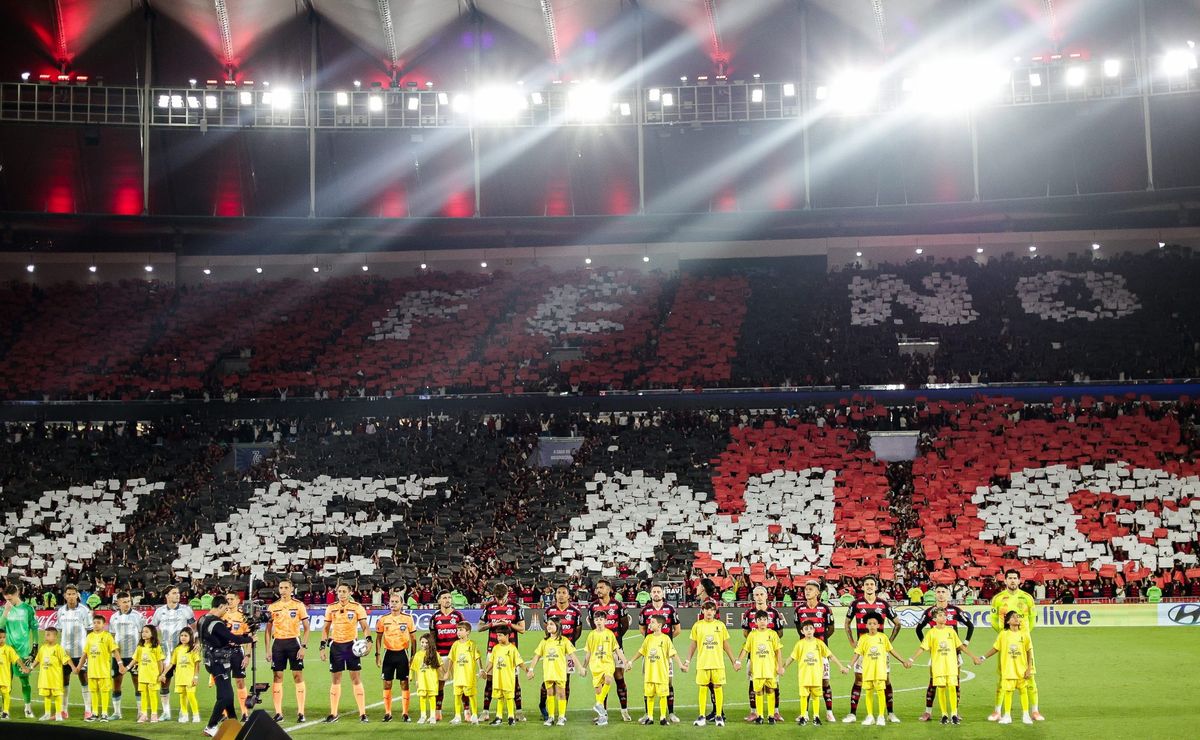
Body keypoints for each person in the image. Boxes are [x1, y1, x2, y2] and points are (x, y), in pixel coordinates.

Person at [843, 575, 901, 724]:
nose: (869, 586)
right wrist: (851, 642)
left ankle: (890, 713)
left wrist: (888, 643)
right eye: (866, 584)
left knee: (886, 681)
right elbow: (847, 623)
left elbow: (897, 624)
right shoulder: (855, 604)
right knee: (858, 680)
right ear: (862, 587)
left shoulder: (883, 604)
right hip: (863, 649)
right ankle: (852, 714)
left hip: (880, 650)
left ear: (876, 587)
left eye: (871, 584)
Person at [909, 606, 980, 725]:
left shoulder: (951, 631)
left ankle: (954, 714)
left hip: (951, 664)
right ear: (934, 618)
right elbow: (923, 647)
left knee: (952, 687)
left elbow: (960, 646)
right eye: (941, 615)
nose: (944, 617)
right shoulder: (931, 633)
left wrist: (973, 656)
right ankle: (944, 715)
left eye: (945, 615)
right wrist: (911, 659)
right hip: (938, 665)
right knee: (941, 688)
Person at [988, 569, 1042, 721]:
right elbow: (992, 619)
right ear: (1005, 581)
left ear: (1019, 581)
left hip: (1023, 641)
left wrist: (1023, 633)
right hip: (1006, 642)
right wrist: (1004, 633)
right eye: (1009, 578)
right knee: (1003, 677)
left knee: (1029, 676)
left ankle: (1035, 711)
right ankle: (998, 711)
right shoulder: (998, 598)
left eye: (1015, 578)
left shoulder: (1027, 598)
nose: (1012, 581)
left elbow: (1032, 618)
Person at [197, 597, 254, 737]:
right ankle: (211, 726)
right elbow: (232, 638)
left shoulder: (203, 618)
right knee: (225, 696)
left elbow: (219, 638)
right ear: (221, 606)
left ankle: (234, 722)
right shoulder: (216, 623)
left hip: (211, 661)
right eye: (225, 608)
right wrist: (250, 639)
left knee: (227, 694)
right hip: (219, 662)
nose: (226, 611)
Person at [320, 583, 371, 723]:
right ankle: (334, 713)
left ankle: (362, 713)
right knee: (336, 680)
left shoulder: (357, 608)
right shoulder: (331, 608)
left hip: (351, 647)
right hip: (336, 647)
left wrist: (369, 640)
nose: (341, 594)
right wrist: (322, 647)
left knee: (355, 678)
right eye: (339, 591)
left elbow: (364, 626)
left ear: (350, 592)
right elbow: (325, 628)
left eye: (344, 591)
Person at [782, 620, 849, 726]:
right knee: (803, 696)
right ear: (802, 631)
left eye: (810, 628)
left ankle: (816, 717)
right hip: (804, 675)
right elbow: (791, 658)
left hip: (816, 675)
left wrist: (840, 666)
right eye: (806, 629)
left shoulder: (819, 643)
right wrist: (783, 667)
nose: (808, 631)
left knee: (816, 696)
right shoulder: (800, 644)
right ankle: (804, 716)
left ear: (814, 630)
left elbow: (830, 655)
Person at [683, 600, 736, 727]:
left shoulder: (720, 625)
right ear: (702, 611)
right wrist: (687, 661)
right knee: (702, 688)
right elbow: (693, 644)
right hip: (702, 663)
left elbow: (725, 644)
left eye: (712, 610)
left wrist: (734, 661)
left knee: (718, 687)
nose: (709, 612)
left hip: (718, 663)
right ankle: (701, 716)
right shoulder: (697, 625)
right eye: (707, 609)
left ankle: (719, 716)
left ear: (715, 612)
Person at [477, 583, 526, 722]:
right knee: (490, 680)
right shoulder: (489, 607)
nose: (499, 601)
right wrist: (491, 624)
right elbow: (479, 627)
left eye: (502, 598)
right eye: (497, 598)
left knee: (515, 681)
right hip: (493, 649)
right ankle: (486, 711)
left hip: (511, 650)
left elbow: (522, 629)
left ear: (507, 594)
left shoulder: (516, 607)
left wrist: (509, 624)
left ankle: (519, 711)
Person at [852, 613, 911, 727]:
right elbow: (857, 653)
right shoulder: (863, 638)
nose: (872, 626)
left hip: (880, 670)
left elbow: (891, 650)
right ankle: (870, 716)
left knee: (880, 692)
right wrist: (849, 666)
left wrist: (903, 660)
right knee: (868, 692)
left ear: (878, 625)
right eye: (870, 624)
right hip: (868, 670)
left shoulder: (883, 637)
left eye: (874, 623)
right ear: (866, 626)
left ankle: (881, 716)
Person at [978, 610, 1035, 725]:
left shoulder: (1024, 634)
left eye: (1018, 617)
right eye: (1013, 617)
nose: (1016, 619)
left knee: (1023, 691)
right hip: (1008, 669)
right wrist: (983, 657)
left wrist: (1029, 668)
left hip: (1021, 669)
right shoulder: (1003, 634)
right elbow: (995, 648)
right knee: (1008, 692)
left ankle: (1026, 715)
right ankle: (1007, 715)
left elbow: (1029, 651)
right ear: (1008, 621)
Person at [793, 579, 838, 722]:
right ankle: (804, 713)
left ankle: (829, 712)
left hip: (821, 652)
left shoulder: (825, 609)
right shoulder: (799, 610)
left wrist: (820, 642)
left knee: (825, 682)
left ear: (817, 592)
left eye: (810, 589)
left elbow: (831, 629)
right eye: (806, 589)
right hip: (805, 653)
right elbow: (799, 630)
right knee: (805, 683)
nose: (807, 592)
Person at [149, 585, 196, 721]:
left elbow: (194, 628)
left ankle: (184, 711)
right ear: (167, 596)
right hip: (165, 653)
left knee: (184, 683)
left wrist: (196, 643)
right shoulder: (160, 611)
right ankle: (166, 712)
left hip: (183, 652)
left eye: (178, 593)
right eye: (174, 593)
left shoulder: (186, 610)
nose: (177, 595)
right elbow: (153, 628)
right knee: (164, 681)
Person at [266, 579, 309, 723]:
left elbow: (307, 627)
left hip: (294, 643)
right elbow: (267, 631)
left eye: (286, 588)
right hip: (277, 643)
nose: (283, 590)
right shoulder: (273, 607)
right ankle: (278, 713)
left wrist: (303, 646)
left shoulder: (298, 605)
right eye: (281, 588)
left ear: (292, 589)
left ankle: (301, 712)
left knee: (297, 676)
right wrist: (267, 650)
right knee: (277, 677)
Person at [630, 615, 686, 726]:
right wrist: (631, 661)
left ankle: (662, 718)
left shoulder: (665, 639)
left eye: (652, 622)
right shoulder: (648, 638)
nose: (650, 624)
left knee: (663, 695)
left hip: (661, 673)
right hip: (649, 673)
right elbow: (641, 651)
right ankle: (650, 717)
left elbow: (673, 653)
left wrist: (680, 665)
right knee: (649, 695)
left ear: (659, 625)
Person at [638, 583, 682, 723]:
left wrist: (664, 642)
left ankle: (671, 713)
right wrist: (653, 642)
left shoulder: (670, 609)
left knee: (668, 682)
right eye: (654, 592)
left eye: (658, 591)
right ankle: (647, 714)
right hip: (650, 653)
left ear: (663, 594)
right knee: (647, 682)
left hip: (665, 654)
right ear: (651, 594)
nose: (656, 594)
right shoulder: (645, 610)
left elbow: (677, 629)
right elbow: (642, 629)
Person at [741, 585, 786, 722]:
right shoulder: (748, 613)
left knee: (774, 683)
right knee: (752, 682)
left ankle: (775, 712)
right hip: (754, 656)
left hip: (770, 658)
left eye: (761, 594)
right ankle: (754, 712)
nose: (759, 597)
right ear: (753, 597)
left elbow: (780, 632)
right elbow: (745, 633)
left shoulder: (774, 613)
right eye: (756, 595)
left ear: (766, 596)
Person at [589, 579, 631, 722]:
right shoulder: (593, 606)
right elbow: (592, 626)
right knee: (602, 680)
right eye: (597, 588)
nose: (598, 590)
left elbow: (624, 625)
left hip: (615, 646)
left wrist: (615, 639)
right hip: (600, 650)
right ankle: (602, 713)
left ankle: (624, 710)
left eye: (601, 587)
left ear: (609, 589)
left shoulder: (618, 605)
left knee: (619, 678)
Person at [542, 584, 585, 721]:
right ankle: (543, 706)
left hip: (567, 651)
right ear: (555, 595)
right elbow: (546, 630)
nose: (561, 595)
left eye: (563, 592)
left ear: (568, 595)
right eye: (558, 592)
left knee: (565, 681)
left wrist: (568, 644)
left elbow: (577, 631)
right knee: (547, 682)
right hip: (552, 650)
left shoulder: (575, 612)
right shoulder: (549, 611)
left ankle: (562, 712)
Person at [526, 618, 576, 727]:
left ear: (557, 626)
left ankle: (561, 717)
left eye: (551, 624)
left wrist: (580, 668)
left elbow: (572, 655)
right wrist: (531, 669)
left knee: (562, 694)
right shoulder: (544, 641)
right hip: (548, 672)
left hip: (560, 672)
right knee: (550, 694)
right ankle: (551, 717)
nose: (548, 626)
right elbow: (536, 656)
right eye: (548, 624)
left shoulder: (564, 641)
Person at [376, 589, 416, 722]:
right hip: (388, 654)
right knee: (387, 683)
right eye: (391, 602)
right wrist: (378, 654)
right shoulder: (383, 619)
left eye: (396, 602)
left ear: (401, 604)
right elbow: (378, 638)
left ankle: (405, 713)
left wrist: (413, 656)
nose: (393, 604)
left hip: (402, 654)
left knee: (404, 684)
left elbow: (414, 639)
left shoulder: (408, 619)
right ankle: (388, 713)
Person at [736, 610, 782, 725]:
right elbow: (746, 649)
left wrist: (780, 666)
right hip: (757, 669)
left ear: (768, 621)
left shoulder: (773, 634)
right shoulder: (752, 635)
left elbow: (778, 651)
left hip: (770, 668)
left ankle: (771, 715)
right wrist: (738, 661)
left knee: (771, 690)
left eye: (764, 620)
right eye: (760, 620)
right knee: (758, 691)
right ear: (755, 622)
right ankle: (760, 715)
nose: (762, 622)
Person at [583, 608, 628, 727]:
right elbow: (588, 653)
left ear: (605, 621)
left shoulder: (610, 634)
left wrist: (625, 661)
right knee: (598, 691)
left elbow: (617, 650)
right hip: (595, 665)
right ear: (594, 621)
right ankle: (602, 716)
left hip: (608, 663)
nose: (598, 621)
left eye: (601, 619)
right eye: (596, 619)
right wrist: (584, 667)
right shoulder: (591, 635)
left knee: (608, 679)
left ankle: (598, 704)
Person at [55, 584, 93, 720]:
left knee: (84, 679)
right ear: (65, 596)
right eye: (68, 594)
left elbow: (90, 630)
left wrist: (87, 649)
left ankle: (88, 710)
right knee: (64, 681)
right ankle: (64, 710)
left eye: (73, 594)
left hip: (81, 652)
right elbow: (60, 629)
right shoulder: (60, 611)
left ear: (77, 595)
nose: (71, 596)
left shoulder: (84, 610)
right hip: (65, 653)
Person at [0, 584, 38, 718]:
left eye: (10, 599)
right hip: (6, 652)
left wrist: (35, 646)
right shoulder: (3, 609)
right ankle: (5, 710)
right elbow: (0, 626)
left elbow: (34, 627)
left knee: (24, 681)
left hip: (23, 651)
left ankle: (27, 708)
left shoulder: (27, 609)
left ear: (17, 594)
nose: (8, 602)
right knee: (5, 683)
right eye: (6, 599)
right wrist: (5, 611)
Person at [107, 591, 146, 720]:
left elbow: (143, 637)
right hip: (118, 656)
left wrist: (139, 655)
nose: (127, 604)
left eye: (128, 601)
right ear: (118, 603)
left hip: (134, 656)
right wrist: (117, 659)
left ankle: (141, 712)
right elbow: (112, 639)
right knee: (116, 683)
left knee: (137, 683)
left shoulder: (138, 616)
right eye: (124, 602)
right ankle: (117, 712)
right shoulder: (113, 617)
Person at [430, 591, 467, 721]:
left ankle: (466, 711)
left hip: (457, 656)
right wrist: (433, 653)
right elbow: (432, 637)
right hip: (441, 655)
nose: (447, 600)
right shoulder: (435, 617)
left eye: (449, 597)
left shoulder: (458, 615)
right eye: (444, 598)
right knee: (440, 683)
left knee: (461, 683)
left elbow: (465, 634)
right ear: (439, 601)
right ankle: (437, 711)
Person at [79, 614, 122, 722]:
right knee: (93, 692)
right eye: (94, 623)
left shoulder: (107, 636)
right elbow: (85, 653)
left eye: (98, 623)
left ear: (104, 625)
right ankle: (95, 713)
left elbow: (115, 651)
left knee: (104, 692)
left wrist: (120, 664)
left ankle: (104, 714)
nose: (96, 625)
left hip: (103, 670)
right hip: (92, 670)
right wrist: (79, 667)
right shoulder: (89, 637)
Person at [483, 625, 524, 726]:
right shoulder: (496, 648)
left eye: (500, 635)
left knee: (509, 697)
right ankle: (499, 717)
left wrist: (527, 670)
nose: (498, 638)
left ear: (507, 636)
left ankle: (511, 717)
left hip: (508, 679)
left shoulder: (513, 649)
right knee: (499, 697)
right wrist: (486, 671)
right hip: (497, 679)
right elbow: (491, 662)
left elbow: (519, 662)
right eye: (497, 636)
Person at [34, 627, 77, 721]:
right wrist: (30, 668)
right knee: (47, 695)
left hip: (55, 678)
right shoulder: (42, 648)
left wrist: (73, 667)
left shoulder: (58, 648)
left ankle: (58, 714)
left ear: (55, 637)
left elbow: (67, 658)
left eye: (48, 634)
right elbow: (37, 659)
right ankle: (47, 714)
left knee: (57, 695)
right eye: (46, 634)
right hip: (45, 678)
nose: (46, 636)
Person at [222, 592, 254, 720]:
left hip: (237, 652)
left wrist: (247, 655)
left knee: (240, 681)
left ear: (237, 600)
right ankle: (224, 713)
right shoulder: (221, 615)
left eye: (231, 599)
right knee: (224, 682)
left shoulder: (242, 616)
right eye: (227, 599)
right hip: (223, 652)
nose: (229, 601)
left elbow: (248, 637)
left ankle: (244, 712)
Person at [444, 622, 482, 724]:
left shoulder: (472, 644)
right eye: (458, 630)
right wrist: (447, 672)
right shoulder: (455, 645)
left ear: (468, 632)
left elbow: (477, 657)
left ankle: (474, 715)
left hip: (468, 676)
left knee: (471, 695)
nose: (458, 632)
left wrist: (481, 669)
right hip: (458, 675)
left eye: (461, 630)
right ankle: (457, 716)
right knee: (457, 695)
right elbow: (451, 659)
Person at [164, 626, 201, 724]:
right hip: (180, 677)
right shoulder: (177, 649)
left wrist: (196, 677)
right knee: (182, 697)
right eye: (181, 635)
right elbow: (172, 663)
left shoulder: (193, 649)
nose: (183, 637)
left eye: (185, 635)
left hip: (190, 677)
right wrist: (163, 673)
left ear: (190, 637)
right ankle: (184, 715)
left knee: (191, 696)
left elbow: (197, 664)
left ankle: (196, 715)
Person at [131, 625, 165, 723]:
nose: (143, 633)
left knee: (153, 695)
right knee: (143, 695)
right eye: (143, 632)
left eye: (146, 632)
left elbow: (160, 662)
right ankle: (144, 714)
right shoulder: (140, 647)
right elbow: (135, 659)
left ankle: (154, 714)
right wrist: (127, 668)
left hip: (153, 676)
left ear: (152, 634)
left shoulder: (156, 647)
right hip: (142, 675)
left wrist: (161, 674)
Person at [410, 634, 441, 724]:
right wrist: (416, 680)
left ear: (430, 643)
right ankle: (423, 716)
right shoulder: (418, 655)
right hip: (422, 681)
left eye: (426, 643)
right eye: (422, 642)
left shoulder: (435, 654)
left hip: (432, 681)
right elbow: (415, 668)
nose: (424, 644)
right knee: (422, 697)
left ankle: (432, 716)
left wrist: (442, 676)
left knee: (432, 697)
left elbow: (439, 667)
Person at [0, 627, 29, 720]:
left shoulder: (8, 649)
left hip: (4, 677)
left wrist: (23, 667)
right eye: (0, 637)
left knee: (6, 693)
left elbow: (16, 659)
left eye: (4, 637)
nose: (2, 639)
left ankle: (5, 712)